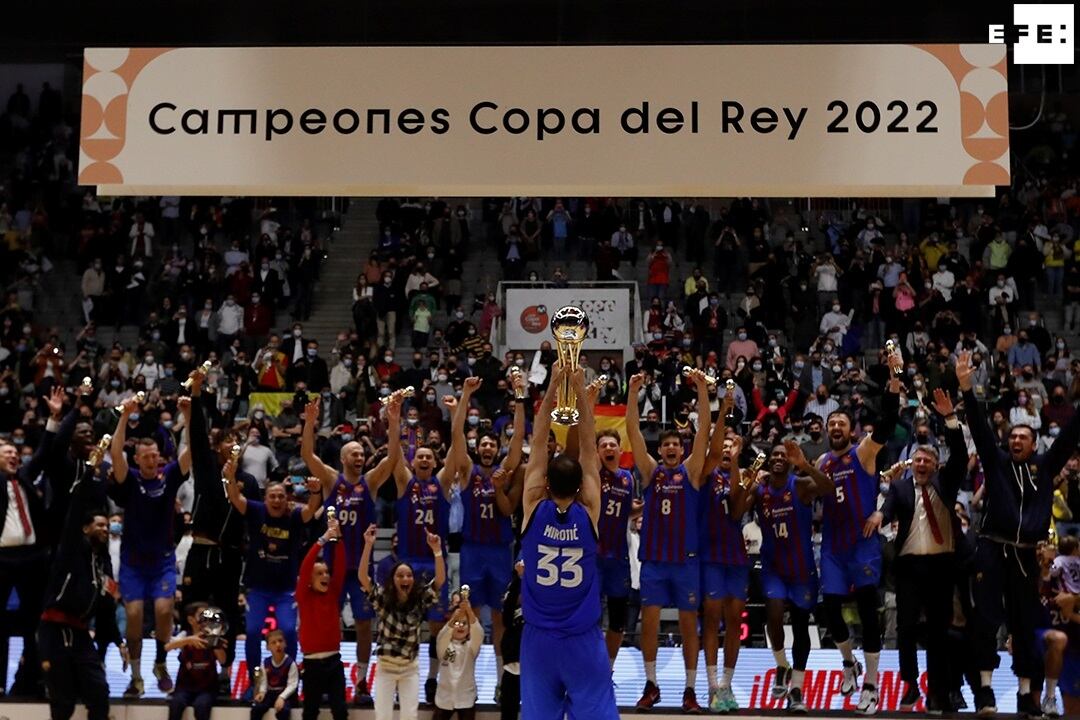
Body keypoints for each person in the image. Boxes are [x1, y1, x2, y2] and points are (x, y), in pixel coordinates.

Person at [956, 349, 1080, 717]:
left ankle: (1028, 694)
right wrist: (966, 390)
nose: (1015, 441)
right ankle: (984, 692)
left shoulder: (1045, 468)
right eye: (1012, 437)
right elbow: (979, 428)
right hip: (993, 549)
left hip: (1028, 553)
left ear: (1034, 442)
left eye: (1023, 437)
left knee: (1025, 626)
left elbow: (1071, 434)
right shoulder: (996, 465)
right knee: (986, 620)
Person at [519, 362, 619, 719]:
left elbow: (538, 444)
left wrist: (553, 387)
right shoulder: (589, 508)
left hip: (539, 641)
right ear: (579, 488)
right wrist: (579, 390)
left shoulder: (533, 505)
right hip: (582, 640)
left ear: (546, 484)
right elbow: (590, 452)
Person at [867, 388, 969, 713]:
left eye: (928, 460)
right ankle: (910, 684)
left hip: (941, 567)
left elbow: (961, 455)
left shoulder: (946, 484)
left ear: (936, 466)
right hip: (910, 567)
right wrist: (880, 513)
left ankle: (937, 693)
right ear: (912, 465)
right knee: (906, 628)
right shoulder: (899, 487)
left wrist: (950, 419)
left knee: (939, 633)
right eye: (918, 460)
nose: (922, 463)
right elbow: (890, 505)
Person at [814, 346, 901, 716]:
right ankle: (848, 663)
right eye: (831, 423)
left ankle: (872, 683)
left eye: (841, 424)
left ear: (851, 430)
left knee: (868, 610)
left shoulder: (864, 453)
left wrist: (893, 385)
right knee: (830, 610)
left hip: (863, 544)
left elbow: (885, 424)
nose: (835, 427)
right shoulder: (821, 461)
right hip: (833, 546)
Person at [302, 393, 403, 705]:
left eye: (362, 454)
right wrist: (309, 423)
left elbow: (393, 459)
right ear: (344, 458)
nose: (360, 457)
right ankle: (323, 672)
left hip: (360, 568)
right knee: (327, 620)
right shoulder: (332, 481)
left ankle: (360, 680)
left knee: (363, 623)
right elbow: (308, 455)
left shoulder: (370, 482)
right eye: (355, 454)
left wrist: (394, 422)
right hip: (332, 566)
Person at [627, 368, 712, 711]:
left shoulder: (690, 471)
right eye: (666, 445)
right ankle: (652, 685)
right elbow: (632, 432)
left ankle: (690, 689)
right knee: (649, 621)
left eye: (676, 444)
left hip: (686, 560)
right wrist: (633, 393)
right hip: (655, 561)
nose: (671, 448)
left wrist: (704, 391)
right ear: (660, 450)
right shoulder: (651, 473)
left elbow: (704, 430)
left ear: (682, 448)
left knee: (689, 623)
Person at [391, 384, 476, 704]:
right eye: (420, 456)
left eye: (429, 456)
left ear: (434, 461)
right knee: (405, 624)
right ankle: (403, 675)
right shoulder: (404, 482)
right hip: (408, 563)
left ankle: (431, 678)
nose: (424, 459)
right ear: (414, 462)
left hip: (434, 563)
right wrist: (394, 415)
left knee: (437, 626)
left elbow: (458, 450)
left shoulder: (441, 482)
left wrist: (457, 414)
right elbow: (393, 452)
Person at [741, 441, 832, 714]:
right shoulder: (760, 490)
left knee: (802, 625)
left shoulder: (801, 484)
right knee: (774, 614)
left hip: (802, 569)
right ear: (768, 462)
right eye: (775, 455)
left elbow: (828, 488)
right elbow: (735, 511)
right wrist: (746, 481)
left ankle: (797, 689)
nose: (779, 458)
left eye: (783, 455)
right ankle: (781, 665)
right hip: (773, 567)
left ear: (790, 460)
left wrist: (805, 465)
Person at [110, 397, 192, 697]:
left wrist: (189, 415)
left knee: (164, 607)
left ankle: (160, 662)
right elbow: (115, 452)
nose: (151, 460)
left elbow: (190, 452)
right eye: (145, 456)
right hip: (133, 562)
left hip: (162, 561)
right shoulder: (129, 479)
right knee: (132, 616)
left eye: (155, 455)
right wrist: (124, 417)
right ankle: (135, 677)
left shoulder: (168, 476)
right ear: (137, 459)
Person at [455, 375, 526, 699]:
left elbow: (518, 440)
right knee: (467, 616)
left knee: (500, 617)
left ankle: (500, 681)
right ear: (477, 448)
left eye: (491, 445)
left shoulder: (503, 472)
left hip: (499, 550)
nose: (487, 448)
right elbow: (456, 437)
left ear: (496, 449)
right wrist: (465, 397)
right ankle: (464, 677)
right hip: (472, 549)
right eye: (482, 444)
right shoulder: (468, 471)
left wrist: (520, 399)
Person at [224, 455, 320, 690]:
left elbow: (310, 511)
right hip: (258, 588)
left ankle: (290, 679)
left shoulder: (294, 515)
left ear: (286, 499)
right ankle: (257, 680)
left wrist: (316, 493)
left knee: (288, 630)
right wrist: (229, 477)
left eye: (280, 496)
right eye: (272, 496)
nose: (276, 500)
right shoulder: (256, 511)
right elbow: (236, 499)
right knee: (253, 631)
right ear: (265, 498)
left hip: (286, 589)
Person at [36, 463, 111, 720]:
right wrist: (89, 474)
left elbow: (106, 603)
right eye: (99, 525)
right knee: (63, 703)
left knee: (100, 695)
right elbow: (74, 512)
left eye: (107, 526)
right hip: (54, 631)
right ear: (85, 528)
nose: (105, 529)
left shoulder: (101, 563)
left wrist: (117, 640)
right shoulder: (70, 551)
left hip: (80, 633)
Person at [358, 521, 446, 720]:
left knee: (409, 716)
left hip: (410, 669)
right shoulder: (382, 599)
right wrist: (368, 545)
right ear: (393, 579)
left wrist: (438, 551)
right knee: (383, 716)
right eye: (400, 575)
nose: (405, 578)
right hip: (385, 667)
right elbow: (363, 577)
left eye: (408, 575)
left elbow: (439, 580)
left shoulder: (419, 599)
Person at [697, 389, 750, 713]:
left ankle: (727, 686)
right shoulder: (704, 473)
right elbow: (715, 450)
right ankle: (712, 685)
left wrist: (738, 465)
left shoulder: (740, 477)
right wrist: (723, 412)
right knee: (712, 618)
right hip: (710, 556)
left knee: (733, 621)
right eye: (725, 445)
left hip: (736, 557)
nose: (728, 448)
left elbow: (734, 510)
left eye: (733, 445)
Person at [296, 513, 348, 720]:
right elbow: (306, 564)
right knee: (310, 712)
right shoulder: (304, 595)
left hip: (334, 662)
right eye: (319, 573)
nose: (325, 576)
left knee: (340, 711)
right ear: (308, 580)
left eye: (326, 572)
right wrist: (324, 539)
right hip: (311, 665)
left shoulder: (333, 592)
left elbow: (341, 566)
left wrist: (339, 538)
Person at [165, 603, 227, 720]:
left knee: (201, 705)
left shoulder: (213, 636)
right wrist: (188, 640)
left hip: (207, 689)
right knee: (176, 704)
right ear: (191, 619)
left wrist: (215, 642)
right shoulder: (184, 635)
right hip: (184, 688)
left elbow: (223, 660)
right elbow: (167, 647)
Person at [433, 594, 483, 719]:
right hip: (444, 698)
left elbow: (479, 632)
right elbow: (443, 634)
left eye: (464, 623)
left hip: (466, 699)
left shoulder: (471, 647)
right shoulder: (443, 645)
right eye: (457, 623)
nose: (460, 625)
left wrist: (469, 611)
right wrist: (455, 616)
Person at [251, 628, 298, 720]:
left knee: (283, 711)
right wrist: (262, 692)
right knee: (256, 709)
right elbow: (263, 681)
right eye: (273, 642)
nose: (278, 645)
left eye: (280, 641)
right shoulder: (265, 663)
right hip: (270, 693)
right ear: (268, 647)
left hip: (286, 694)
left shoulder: (290, 663)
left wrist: (282, 697)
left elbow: (292, 684)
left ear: (285, 643)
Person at [499, 560, 524, 720]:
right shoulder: (514, 587)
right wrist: (519, 578)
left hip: (537, 668)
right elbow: (506, 620)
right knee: (508, 713)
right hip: (513, 666)